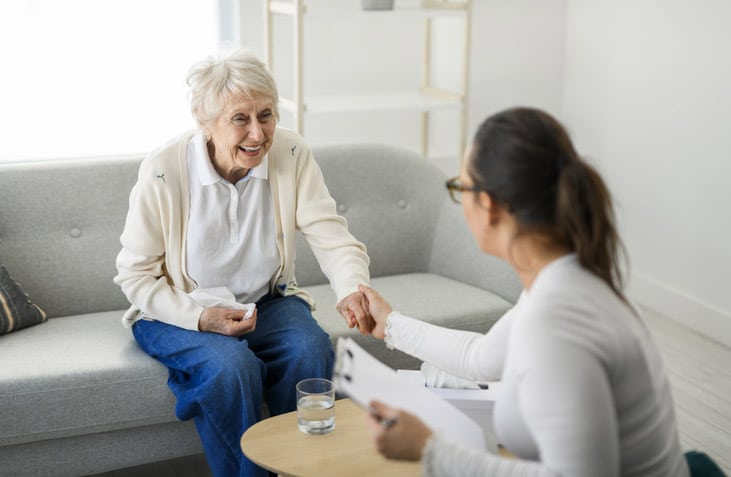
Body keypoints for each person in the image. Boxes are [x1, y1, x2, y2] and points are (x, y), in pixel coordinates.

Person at [357, 107, 690, 476]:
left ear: (489, 206)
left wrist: (430, 450)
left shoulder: (556, 320)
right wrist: (390, 325)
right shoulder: (563, 280)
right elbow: (479, 358)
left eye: (461, 188)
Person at [114, 49, 372, 477]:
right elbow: (135, 275)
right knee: (230, 367)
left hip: (264, 302)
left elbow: (332, 235)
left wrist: (351, 288)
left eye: (266, 115)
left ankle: (306, 470)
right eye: (240, 119)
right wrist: (200, 318)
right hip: (176, 309)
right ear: (204, 119)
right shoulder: (163, 170)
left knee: (310, 348)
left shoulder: (291, 152)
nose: (258, 133)